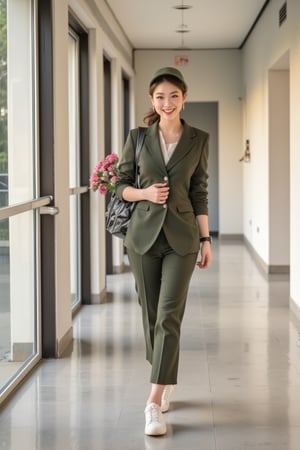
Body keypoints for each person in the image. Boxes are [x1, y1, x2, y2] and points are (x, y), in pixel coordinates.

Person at [115, 66, 212, 436]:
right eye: (160, 97)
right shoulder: (138, 137)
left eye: (174, 96)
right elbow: (120, 186)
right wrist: (145, 193)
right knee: (151, 314)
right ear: (151, 101)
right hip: (142, 237)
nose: (167, 103)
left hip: (183, 239)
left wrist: (206, 240)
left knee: (170, 315)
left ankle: (153, 401)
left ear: (184, 97)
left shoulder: (199, 139)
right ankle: (165, 376)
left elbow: (200, 191)